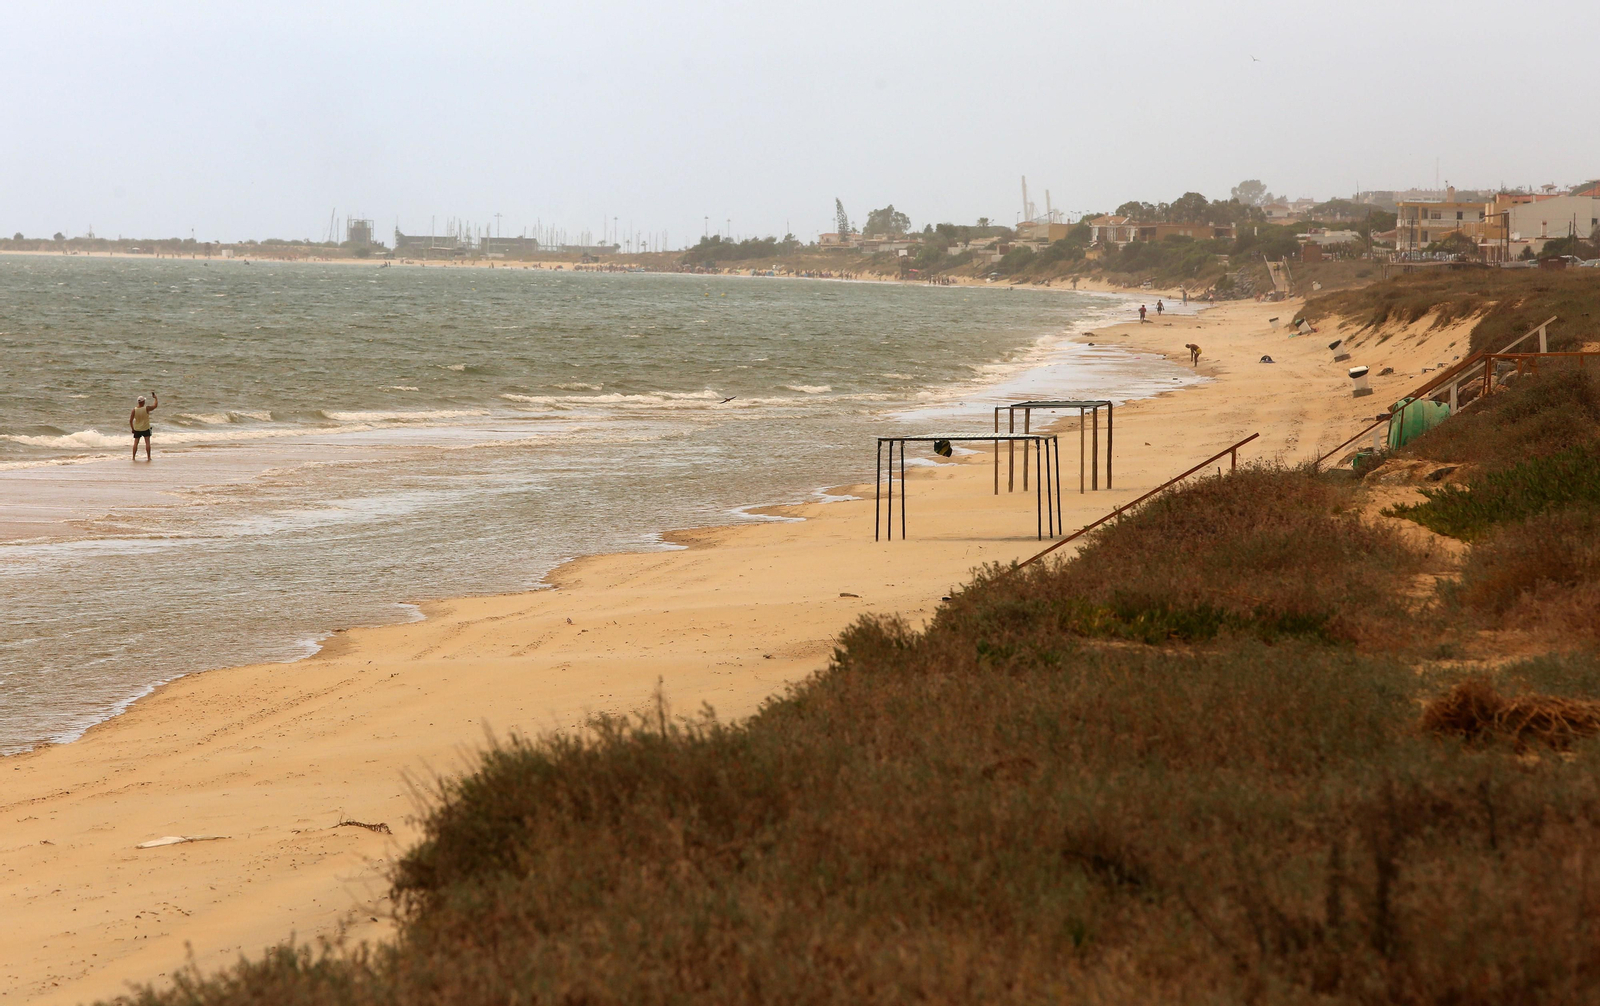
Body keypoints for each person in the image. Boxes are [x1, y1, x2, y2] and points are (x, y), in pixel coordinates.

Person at [130, 391, 158, 461]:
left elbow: (130, 420)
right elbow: (155, 406)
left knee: (136, 443)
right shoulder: (146, 408)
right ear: (143, 402)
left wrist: (132, 429)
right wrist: (155, 398)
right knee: (147, 442)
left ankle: (133, 457)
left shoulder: (134, 410)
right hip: (145, 428)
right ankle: (148, 457)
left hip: (137, 429)